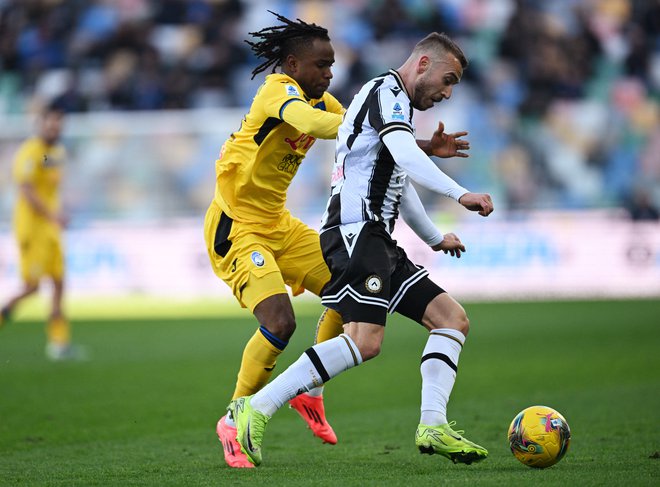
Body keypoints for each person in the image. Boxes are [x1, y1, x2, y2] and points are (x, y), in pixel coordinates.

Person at [204, 13, 473, 469]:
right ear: (292, 63)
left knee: (341, 284)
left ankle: (310, 391)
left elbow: (371, 136)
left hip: (279, 224)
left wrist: (419, 144)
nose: (329, 74)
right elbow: (330, 125)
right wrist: (404, 139)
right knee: (281, 321)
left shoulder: (328, 100)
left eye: (332, 65)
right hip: (237, 225)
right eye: (321, 65)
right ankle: (236, 416)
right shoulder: (279, 92)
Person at [0, 101, 81, 361]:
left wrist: (61, 210)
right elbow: (27, 190)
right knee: (32, 287)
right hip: (32, 229)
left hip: (50, 229)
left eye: (59, 122)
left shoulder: (53, 153)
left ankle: (59, 343)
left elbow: (51, 184)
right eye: (51, 121)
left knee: (59, 281)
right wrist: (53, 215)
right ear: (41, 124)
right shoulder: (30, 152)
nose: (55, 126)